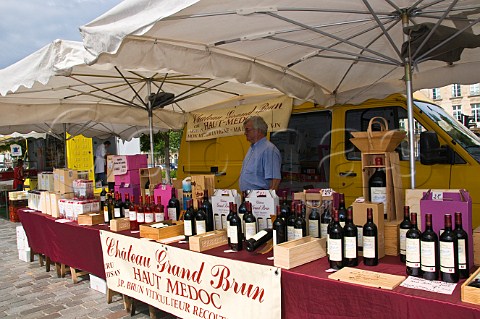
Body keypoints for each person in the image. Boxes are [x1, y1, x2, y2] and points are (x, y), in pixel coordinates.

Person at [239, 116, 281, 191]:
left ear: (258, 130)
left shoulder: (269, 150)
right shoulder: (253, 148)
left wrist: (268, 200)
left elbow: (275, 180)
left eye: (247, 130)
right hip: (249, 197)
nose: (245, 133)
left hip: (259, 198)